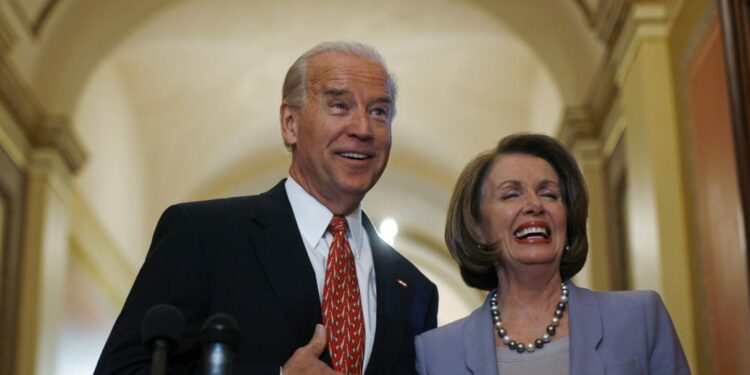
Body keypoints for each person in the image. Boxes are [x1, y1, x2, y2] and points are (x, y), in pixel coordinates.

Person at [94, 41, 438, 375]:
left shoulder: (414, 288)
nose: (363, 128)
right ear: (290, 124)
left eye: (379, 111)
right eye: (339, 106)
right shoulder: (203, 236)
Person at [415, 133, 690, 374]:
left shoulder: (639, 319)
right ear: (477, 227)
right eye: (511, 194)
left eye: (550, 194)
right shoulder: (437, 354)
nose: (535, 204)